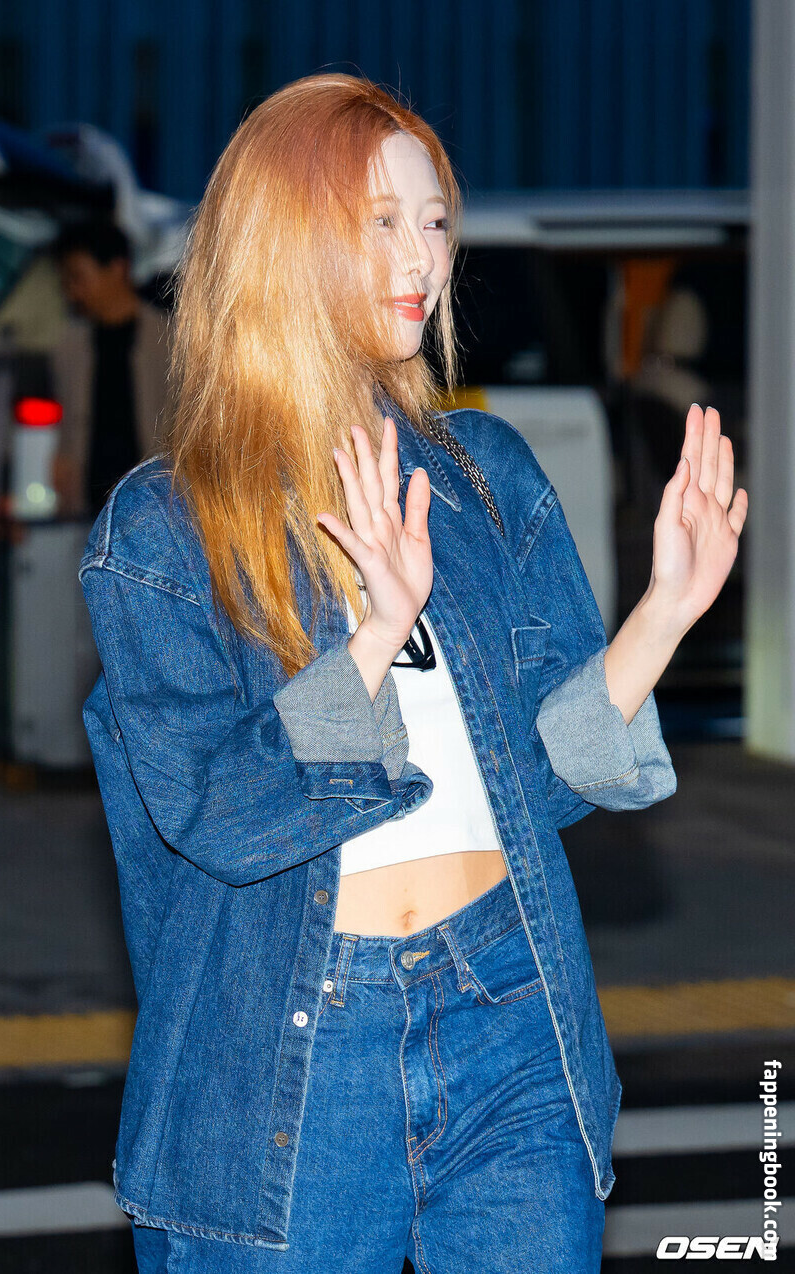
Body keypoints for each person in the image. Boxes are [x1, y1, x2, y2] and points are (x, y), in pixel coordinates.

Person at [77, 74, 748, 1273]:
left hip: (508, 1004)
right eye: (379, 221)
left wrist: (663, 612)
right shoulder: (166, 529)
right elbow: (215, 809)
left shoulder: (481, 473)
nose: (422, 255)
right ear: (282, 242)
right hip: (295, 1049)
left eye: (433, 220)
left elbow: (545, 779)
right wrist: (372, 637)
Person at [49, 219, 171, 518]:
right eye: (67, 281)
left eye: (78, 277)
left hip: (155, 506)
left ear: (117, 268)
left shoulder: (170, 339)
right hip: (84, 506)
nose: (72, 291)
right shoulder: (67, 348)